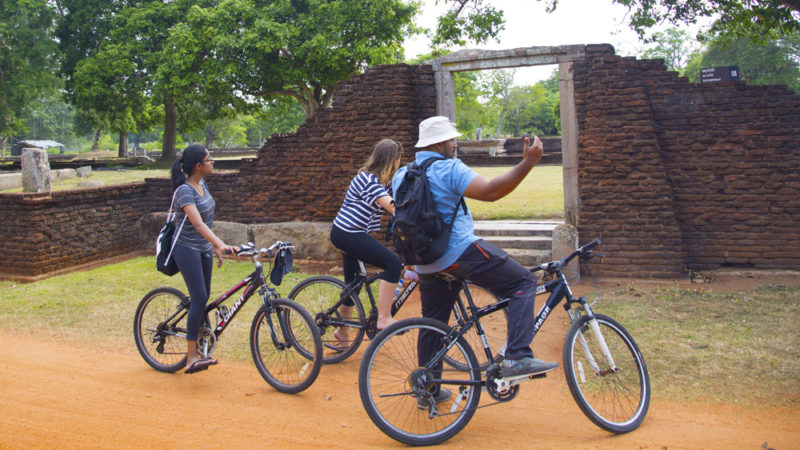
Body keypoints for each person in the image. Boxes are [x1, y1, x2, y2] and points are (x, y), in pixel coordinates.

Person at [393, 116, 558, 406]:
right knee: (523, 281)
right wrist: (529, 163)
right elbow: (491, 192)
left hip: (424, 262)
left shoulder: (402, 174)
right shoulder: (449, 168)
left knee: (433, 323)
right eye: (451, 139)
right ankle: (518, 357)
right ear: (439, 143)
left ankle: (426, 387)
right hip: (457, 253)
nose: (455, 144)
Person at [169, 145, 238, 374]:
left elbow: (207, 220)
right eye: (210, 159)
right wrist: (220, 243)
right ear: (198, 165)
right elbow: (197, 224)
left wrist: (212, 245)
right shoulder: (184, 191)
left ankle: (201, 346)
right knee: (199, 298)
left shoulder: (202, 184)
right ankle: (190, 357)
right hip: (185, 248)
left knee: (204, 297)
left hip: (202, 248)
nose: (213, 162)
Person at [330, 139, 405, 344]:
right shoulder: (367, 179)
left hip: (352, 233)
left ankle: (343, 332)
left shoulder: (384, 182)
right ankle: (383, 318)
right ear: (392, 160)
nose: (400, 163)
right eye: (399, 159)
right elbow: (392, 207)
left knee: (353, 284)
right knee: (393, 264)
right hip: (347, 233)